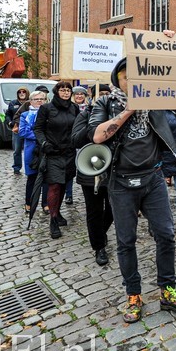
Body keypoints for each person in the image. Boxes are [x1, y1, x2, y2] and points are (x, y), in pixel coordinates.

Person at [89, 53, 176, 323]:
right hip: (121, 183)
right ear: (118, 80)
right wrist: (130, 110)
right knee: (126, 241)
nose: (133, 80)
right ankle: (133, 294)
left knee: (166, 235)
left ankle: (168, 290)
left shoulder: (155, 101)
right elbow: (98, 135)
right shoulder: (105, 102)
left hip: (153, 178)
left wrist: (170, 44)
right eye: (127, 77)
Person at [71, 89, 114, 266]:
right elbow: (75, 140)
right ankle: (99, 247)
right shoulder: (85, 114)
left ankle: (100, 231)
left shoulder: (115, 113)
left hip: (113, 169)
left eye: (106, 94)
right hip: (90, 170)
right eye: (100, 94)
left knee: (113, 209)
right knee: (94, 211)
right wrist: (91, 129)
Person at [34, 81, 80, 239]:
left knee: (64, 183)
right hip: (53, 152)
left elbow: (78, 127)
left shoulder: (74, 108)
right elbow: (38, 128)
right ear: (57, 91)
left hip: (69, 152)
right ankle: (53, 220)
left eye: (68, 90)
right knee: (54, 185)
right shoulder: (46, 108)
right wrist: (44, 143)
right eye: (63, 90)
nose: (66, 93)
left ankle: (57, 212)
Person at [18, 91, 47, 213]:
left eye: (42, 99)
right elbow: (23, 132)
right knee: (32, 177)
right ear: (31, 101)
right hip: (32, 150)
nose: (39, 101)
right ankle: (29, 202)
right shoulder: (25, 115)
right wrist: (40, 136)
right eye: (36, 99)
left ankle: (46, 203)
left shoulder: (49, 114)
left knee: (46, 177)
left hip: (46, 149)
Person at [64, 86, 89, 206]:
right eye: (77, 94)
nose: (79, 96)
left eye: (81, 94)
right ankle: (68, 195)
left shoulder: (90, 109)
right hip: (70, 142)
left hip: (83, 142)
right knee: (70, 170)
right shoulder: (68, 108)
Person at [7, 87, 30, 175]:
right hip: (17, 129)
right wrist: (9, 122)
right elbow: (8, 114)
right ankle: (16, 167)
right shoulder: (13, 103)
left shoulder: (30, 102)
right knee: (17, 150)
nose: (21, 93)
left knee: (30, 149)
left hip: (28, 129)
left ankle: (30, 167)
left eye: (23, 91)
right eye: (19, 92)